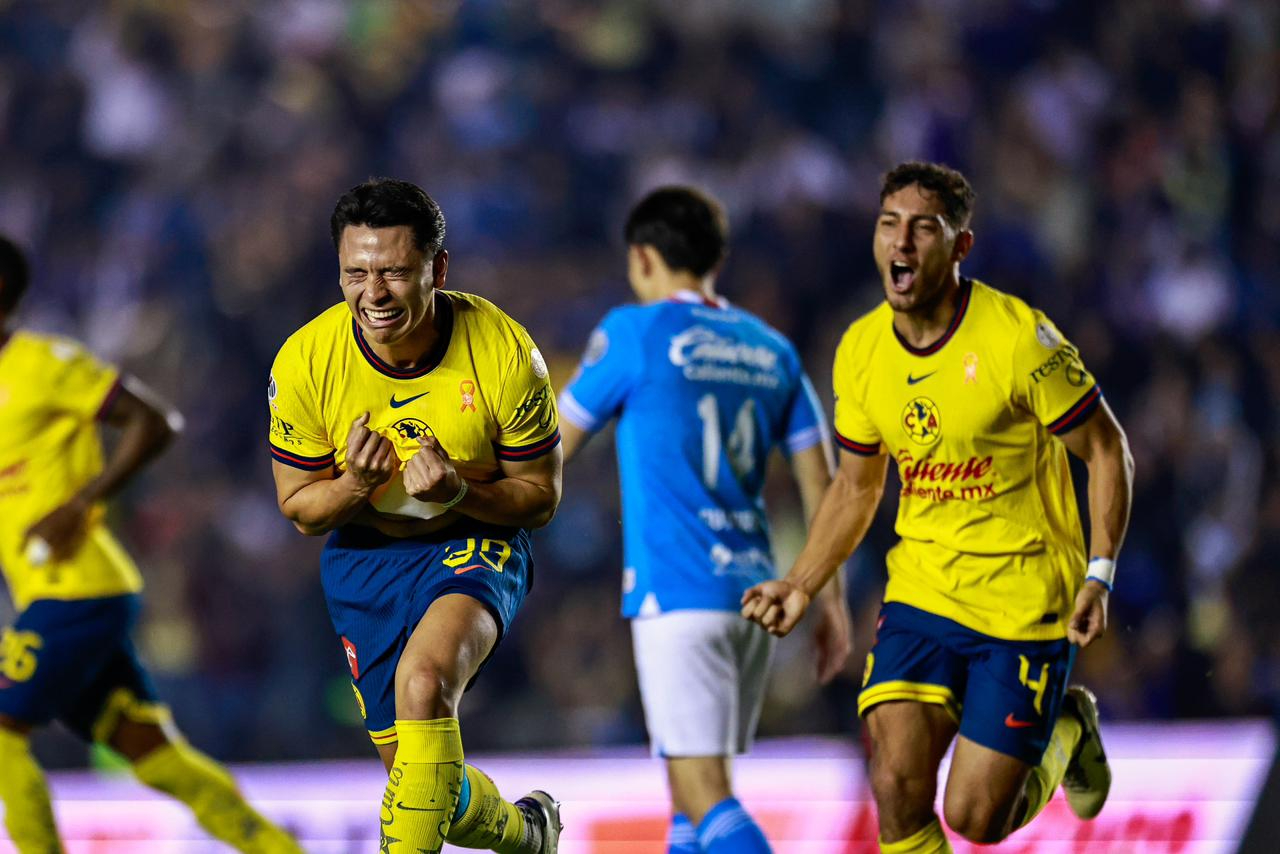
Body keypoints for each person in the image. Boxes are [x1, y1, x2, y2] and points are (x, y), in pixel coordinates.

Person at [742, 161, 1133, 853]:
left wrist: (1099, 572)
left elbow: (1107, 451)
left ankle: (1068, 728)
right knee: (895, 786)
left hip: (1024, 597)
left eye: (925, 228)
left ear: (960, 247)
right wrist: (801, 583)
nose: (902, 242)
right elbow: (859, 487)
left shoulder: (1017, 339)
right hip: (924, 588)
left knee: (976, 820)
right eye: (890, 225)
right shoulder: (861, 350)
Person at [268, 178, 562, 854]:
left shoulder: (504, 352)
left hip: (474, 543)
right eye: (356, 273)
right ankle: (527, 833)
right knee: (422, 787)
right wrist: (353, 485)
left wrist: (461, 494)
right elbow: (301, 509)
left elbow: (540, 497)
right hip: (365, 562)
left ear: (439, 268)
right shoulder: (307, 362)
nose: (373, 293)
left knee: (425, 683)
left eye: (395, 272)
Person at [558, 186, 853, 854]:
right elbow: (823, 485)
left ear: (641, 258)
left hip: (677, 592)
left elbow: (551, 445)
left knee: (705, 796)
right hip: (753, 595)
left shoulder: (635, 332)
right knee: (689, 811)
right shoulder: (771, 349)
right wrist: (827, 597)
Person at [0, 235, 302, 854]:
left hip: (79, 588)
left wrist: (82, 503)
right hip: (49, 593)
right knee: (157, 758)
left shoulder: (45, 363)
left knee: (1, 735)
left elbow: (155, 420)